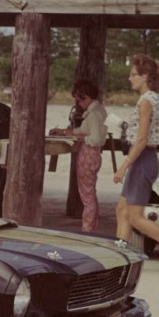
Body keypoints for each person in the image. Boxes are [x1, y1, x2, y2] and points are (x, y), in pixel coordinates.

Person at [113, 54, 159, 276]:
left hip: (142, 159)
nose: (129, 78)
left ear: (144, 77)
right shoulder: (155, 98)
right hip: (145, 158)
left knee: (134, 216)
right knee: (122, 211)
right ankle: (120, 257)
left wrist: (124, 165)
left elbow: (142, 139)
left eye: (133, 74)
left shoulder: (146, 101)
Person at [50, 79, 107, 233]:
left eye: (79, 99)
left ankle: (87, 229)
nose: (78, 103)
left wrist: (82, 138)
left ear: (86, 97)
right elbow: (83, 130)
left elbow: (95, 139)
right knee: (89, 193)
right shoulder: (97, 111)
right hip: (92, 155)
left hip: (88, 154)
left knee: (87, 196)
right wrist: (64, 131)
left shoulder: (94, 114)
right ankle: (90, 228)